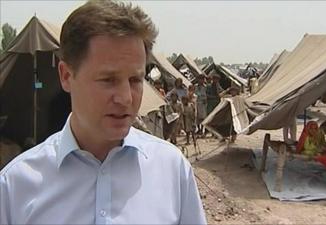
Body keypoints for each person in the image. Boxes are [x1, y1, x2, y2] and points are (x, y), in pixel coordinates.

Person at [0, 1, 206, 224]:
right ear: (66, 76)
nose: (126, 98)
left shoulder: (172, 170)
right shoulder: (15, 187)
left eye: (135, 80)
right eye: (108, 80)